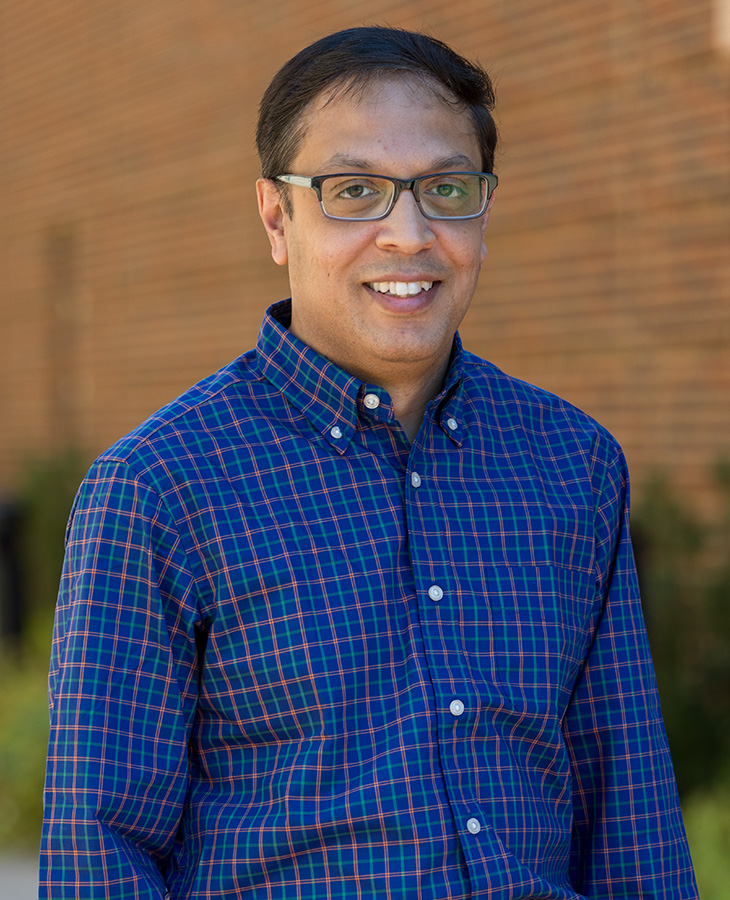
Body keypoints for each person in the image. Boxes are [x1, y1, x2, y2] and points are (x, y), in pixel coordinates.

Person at [40, 25, 699, 900]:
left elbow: (631, 818)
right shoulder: (161, 487)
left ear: (484, 210)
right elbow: (100, 854)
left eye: (446, 188)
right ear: (277, 217)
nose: (408, 234)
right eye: (354, 191)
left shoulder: (572, 465)